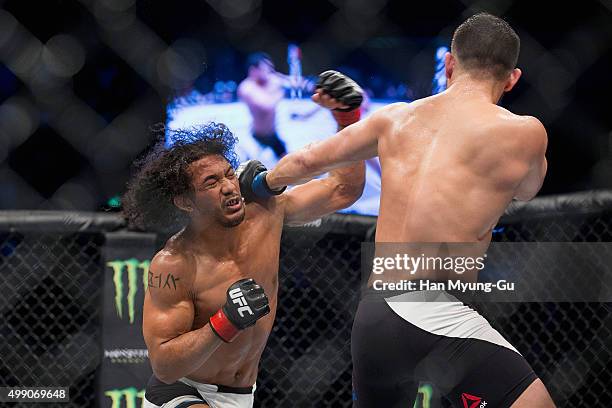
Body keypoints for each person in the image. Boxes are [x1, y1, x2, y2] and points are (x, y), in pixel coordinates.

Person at [240, 13, 554, 408]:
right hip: (430, 309)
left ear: (450, 64)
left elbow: (307, 160)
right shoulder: (525, 131)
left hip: (373, 319)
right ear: (512, 79)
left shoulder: (396, 118)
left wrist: (260, 183)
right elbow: (527, 190)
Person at [121, 71, 365, 408]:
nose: (228, 186)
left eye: (228, 174)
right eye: (211, 182)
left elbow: (343, 188)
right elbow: (164, 364)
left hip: (241, 395)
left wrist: (347, 118)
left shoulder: (266, 213)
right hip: (183, 392)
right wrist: (225, 321)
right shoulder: (174, 263)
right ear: (185, 201)